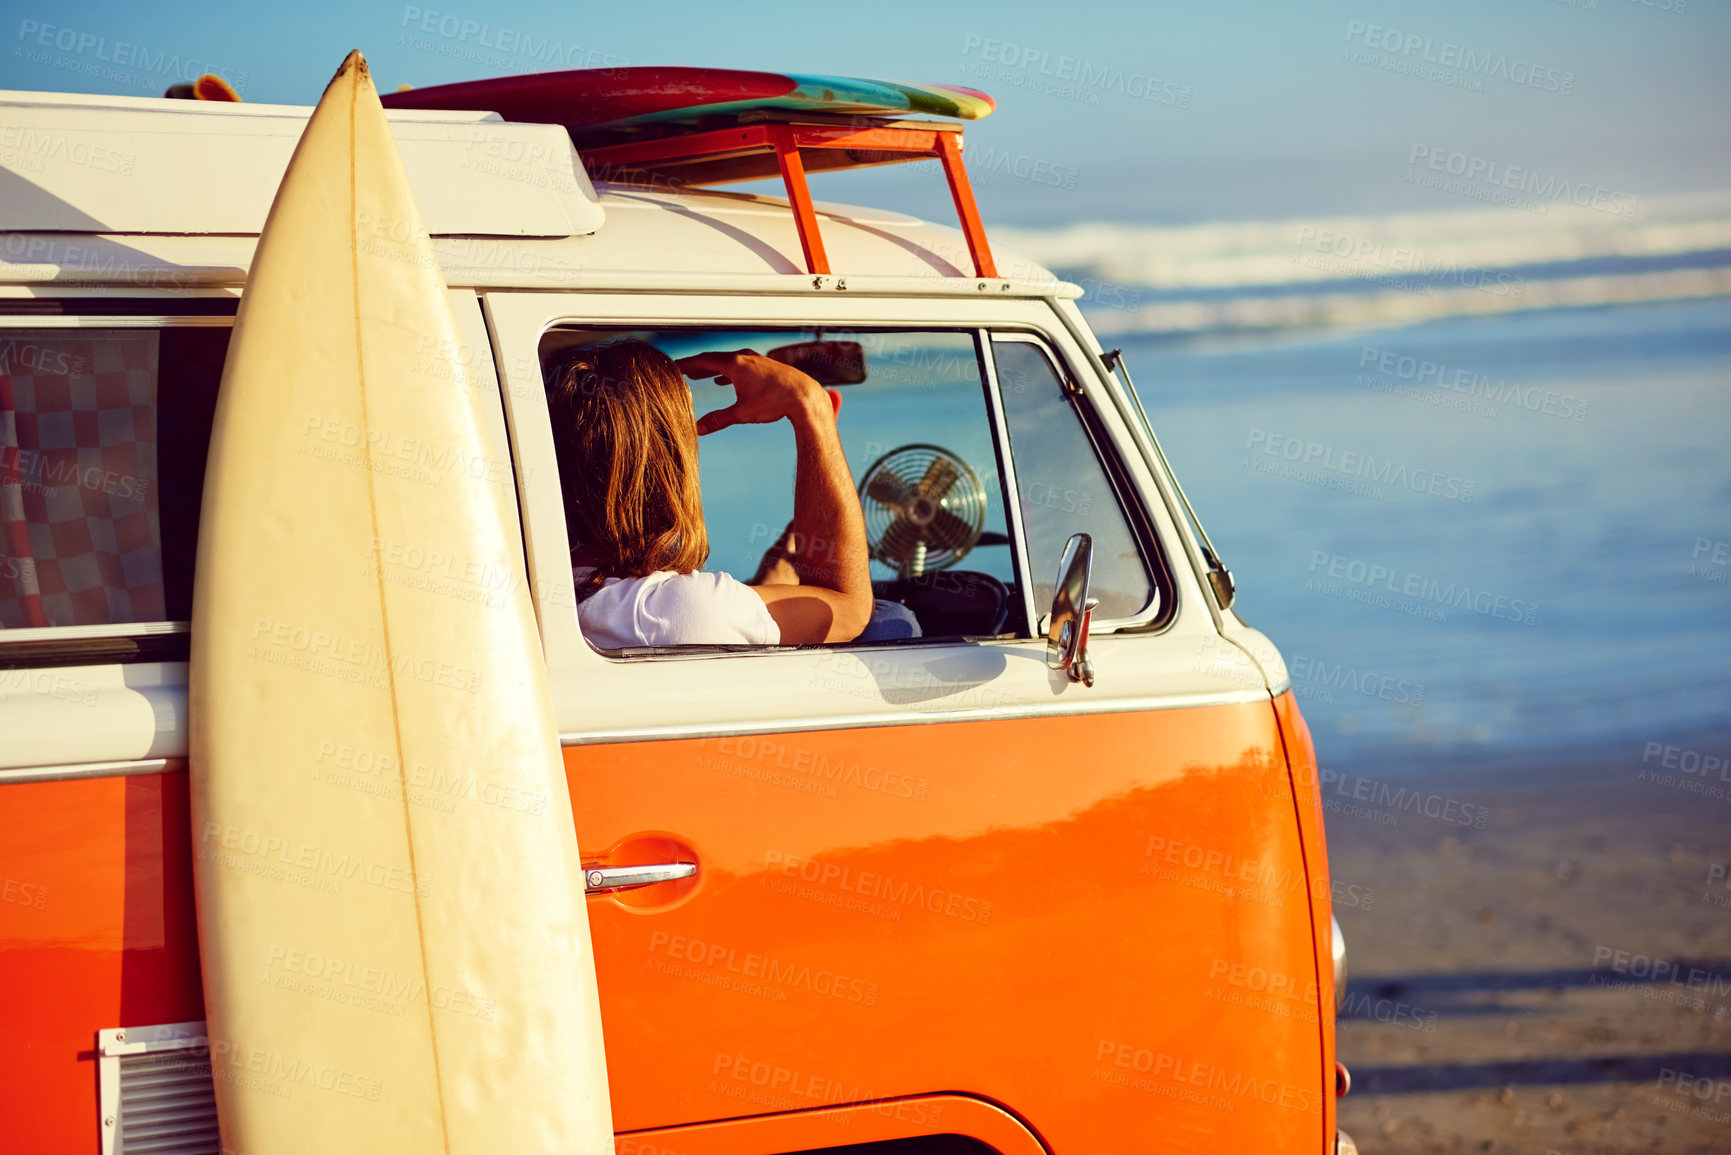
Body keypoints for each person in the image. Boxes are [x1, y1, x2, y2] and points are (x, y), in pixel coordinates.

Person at [544, 337, 877, 649]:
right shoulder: (666, 612)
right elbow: (847, 610)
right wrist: (809, 404)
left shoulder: (544, 596)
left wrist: (765, 584)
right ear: (668, 467)